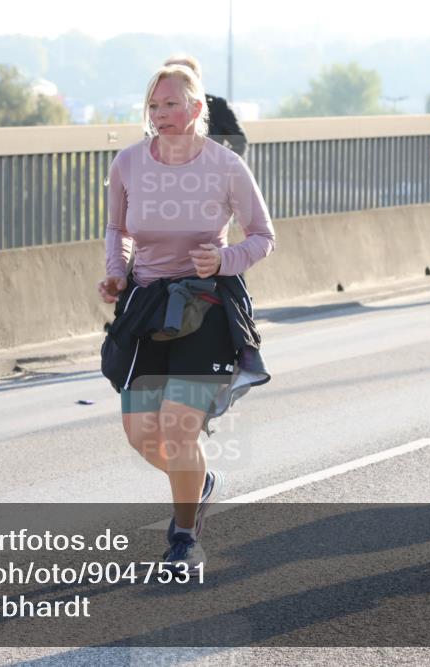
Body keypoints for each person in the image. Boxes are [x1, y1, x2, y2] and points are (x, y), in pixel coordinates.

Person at [99, 64, 274, 572]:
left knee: (177, 433)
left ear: (197, 109)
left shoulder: (225, 167)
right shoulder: (128, 163)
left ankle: (183, 537)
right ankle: (198, 482)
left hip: (206, 308)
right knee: (141, 435)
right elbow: (117, 228)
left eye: (171, 105)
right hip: (148, 306)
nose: (160, 115)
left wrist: (225, 260)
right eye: (153, 106)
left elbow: (263, 236)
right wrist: (116, 273)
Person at [164, 54, 248, 156]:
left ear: (195, 78)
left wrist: (221, 164)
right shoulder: (157, 109)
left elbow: (239, 142)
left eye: (177, 74)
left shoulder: (218, 106)